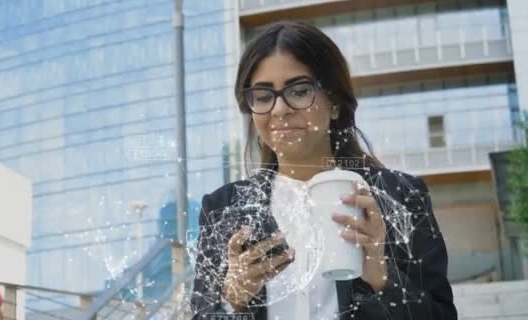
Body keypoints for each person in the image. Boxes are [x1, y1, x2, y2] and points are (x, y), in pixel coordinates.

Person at [190, 21, 457, 320]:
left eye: (300, 91)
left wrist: (383, 279)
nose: (279, 110)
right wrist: (232, 300)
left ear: (334, 103)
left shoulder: (401, 197)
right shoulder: (223, 210)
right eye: (263, 97)